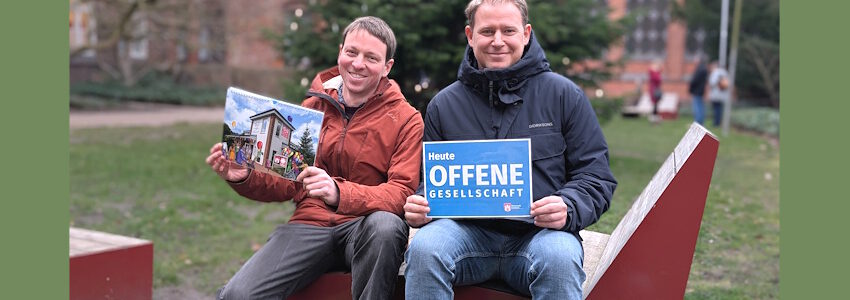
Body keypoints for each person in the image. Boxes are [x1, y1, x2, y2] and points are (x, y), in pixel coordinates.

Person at [402, 1, 618, 299]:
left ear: (526, 34)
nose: (498, 41)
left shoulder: (563, 95)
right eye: (487, 31)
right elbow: (430, 181)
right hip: (466, 234)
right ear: (470, 35)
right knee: (426, 249)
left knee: (559, 260)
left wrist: (568, 206)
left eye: (508, 30)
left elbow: (596, 176)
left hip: (540, 236)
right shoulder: (444, 105)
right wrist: (422, 204)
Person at [206, 16, 424, 300]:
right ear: (340, 52)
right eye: (352, 52)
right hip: (310, 224)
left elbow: (401, 193)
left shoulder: (406, 119)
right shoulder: (313, 107)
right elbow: (289, 182)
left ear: (387, 67)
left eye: (371, 57)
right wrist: (244, 176)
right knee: (238, 295)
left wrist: (338, 193)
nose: (358, 64)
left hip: (365, 228)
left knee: (386, 225)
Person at [707, 61, 730, 127]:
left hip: (716, 94)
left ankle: (716, 123)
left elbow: (712, 82)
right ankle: (718, 122)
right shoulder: (725, 72)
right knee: (719, 108)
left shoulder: (715, 72)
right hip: (722, 94)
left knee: (716, 108)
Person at [689, 57, 709, 125]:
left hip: (697, 91)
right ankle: (700, 121)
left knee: (697, 107)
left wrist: (691, 88)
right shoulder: (704, 69)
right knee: (700, 106)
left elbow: (695, 80)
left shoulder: (700, 69)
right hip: (701, 90)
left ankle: (698, 122)